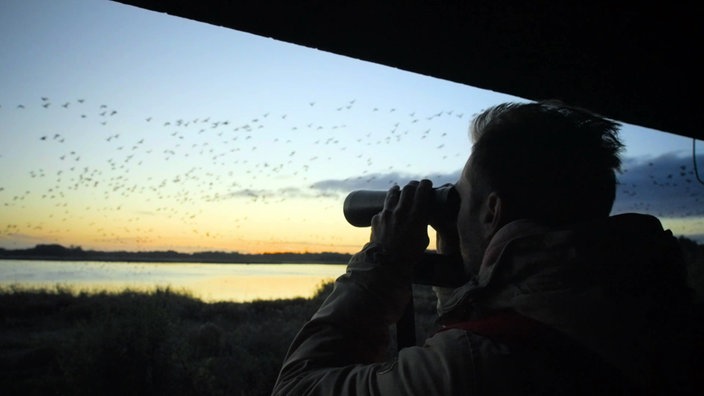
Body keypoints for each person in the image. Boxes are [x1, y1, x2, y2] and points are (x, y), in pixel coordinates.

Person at [272, 100, 701, 395]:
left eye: (459, 198)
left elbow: (297, 386)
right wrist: (465, 283)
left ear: (491, 211)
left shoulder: (473, 367)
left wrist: (383, 262)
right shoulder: (668, 315)